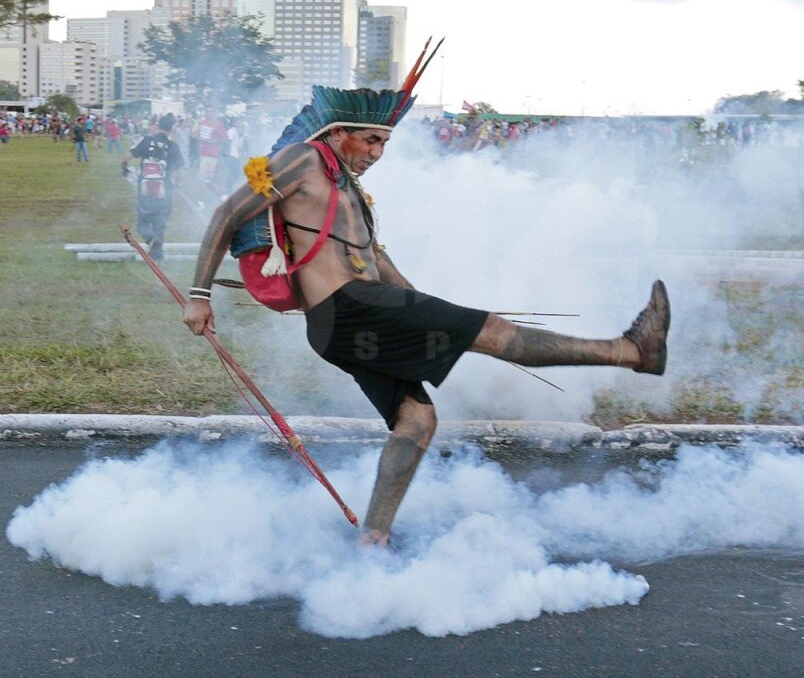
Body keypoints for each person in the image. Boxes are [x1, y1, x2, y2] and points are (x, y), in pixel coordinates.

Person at [181, 86, 671, 548]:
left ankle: (373, 542)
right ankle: (632, 351)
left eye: (384, 143)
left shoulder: (344, 184)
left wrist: (420, 305)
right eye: (370, 139)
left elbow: (374, 258)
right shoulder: (303, 159)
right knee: (497, 333)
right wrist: (199, 295)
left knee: (416, 420)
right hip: (349, 308)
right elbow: (228, 212)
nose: (376, 153)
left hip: (343, 322)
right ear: (336, 133)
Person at [124, 113, 185, 262]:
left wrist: (124, 169)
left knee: (142, 223)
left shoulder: (146, 141)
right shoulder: (173, 146)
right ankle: (158, 257)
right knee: (160, 223)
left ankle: (152, 241)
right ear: (171, 130)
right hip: (165, 190)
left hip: (146, 188)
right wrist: (175, 182)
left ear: (158, 127)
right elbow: (176, 171)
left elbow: (127, 156)